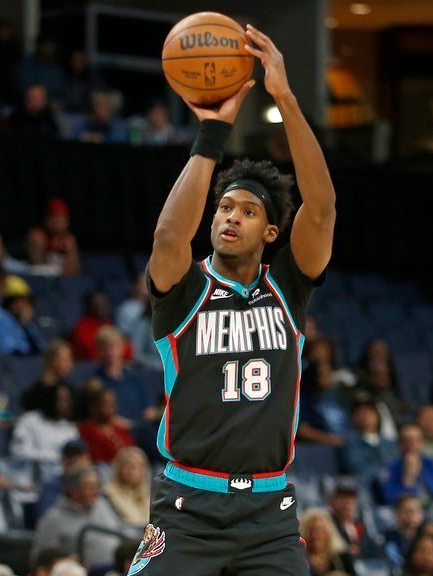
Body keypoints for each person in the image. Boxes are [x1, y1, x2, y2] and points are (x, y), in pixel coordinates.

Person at [140, 25, 336, 575]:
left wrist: (286, 98)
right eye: (225, 208)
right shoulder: (185, 291)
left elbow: (321, 207)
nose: (230, 217)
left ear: (271, 232)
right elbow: (168, 237)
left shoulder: (288, 288)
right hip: (187, 507)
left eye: (248, 212)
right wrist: (213, 132)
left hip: (269, 515)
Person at [31, 465, 128, 568]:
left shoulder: (102, 504)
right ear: (73, 489)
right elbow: (39, 560)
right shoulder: (52, 519)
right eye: (90, 486)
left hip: (119, 568)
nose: (96, 491)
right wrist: (66, 562)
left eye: (97, 486)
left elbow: (121, 530)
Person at [10, 383, 78, 462]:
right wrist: (56, 457)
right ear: (50, 399)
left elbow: (74, 456)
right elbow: (18, 452)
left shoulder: (70, 428)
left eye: (67, 400)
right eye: (60, 399)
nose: (65, 404)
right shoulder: (28, 420)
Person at [77, 388, 135, 464]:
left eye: (113, 403)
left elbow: (132, 450)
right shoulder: (86, 429)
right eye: (107, 403)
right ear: (94, 406)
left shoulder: (120, 428)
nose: (112, 407)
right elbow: (95, 456)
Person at [26, 199, 79, 276]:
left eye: (61, 219)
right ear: (46, 219)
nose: (57, 223)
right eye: (54, 219)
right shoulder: (37, 237)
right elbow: (37, 267)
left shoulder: (69, 240)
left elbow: (73, 269)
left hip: (59, 278)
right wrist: (60, 270)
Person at [298, 508, 356, 575]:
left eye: (321, 530)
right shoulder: (299, 559)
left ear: (329, 532)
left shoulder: (343, 557)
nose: (316, 536)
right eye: (311, 530)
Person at [103, 447, 151, 526]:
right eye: (129, 467)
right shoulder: (108, 494)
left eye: (138, 467)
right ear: (119, 469)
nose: (133, 472)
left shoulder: (148, 494)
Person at [383, 495, 425, 569]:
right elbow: (396, 563)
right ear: (397, 515)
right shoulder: (389, 539)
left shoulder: (428, 538)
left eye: (417, 510)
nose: (413, 514)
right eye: (407, 511)